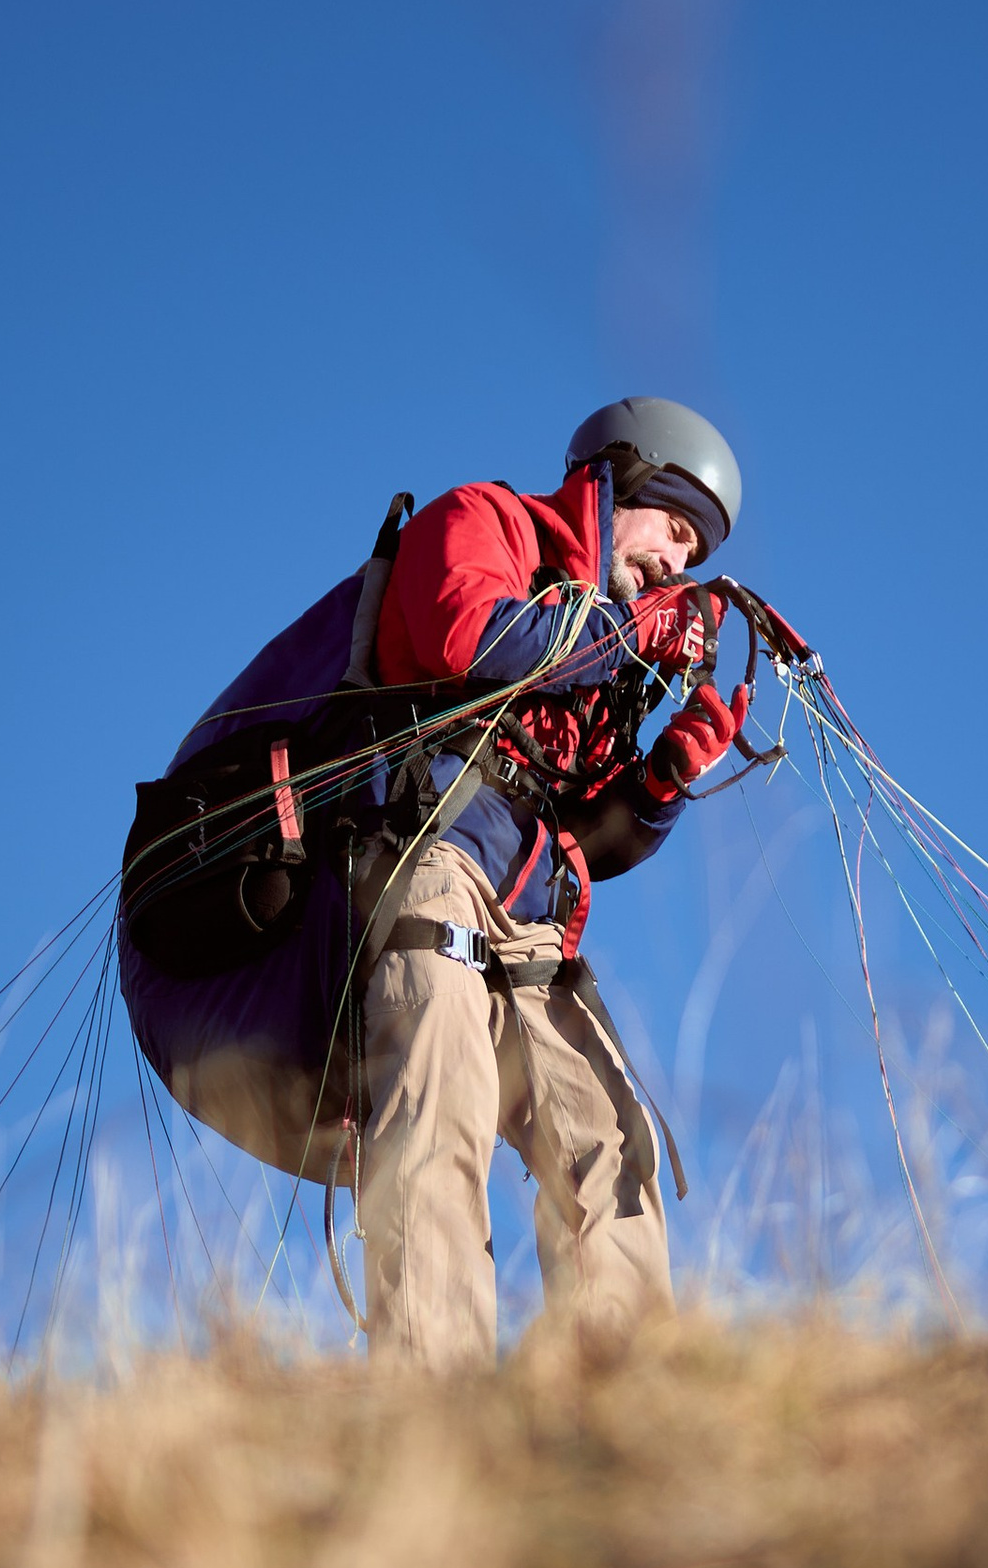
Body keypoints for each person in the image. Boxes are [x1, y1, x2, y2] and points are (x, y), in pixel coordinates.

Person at [119, 398, 749, 1367]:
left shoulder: (600, 637)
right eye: (674, 523)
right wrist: (626, 635)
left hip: (531, 927)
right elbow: (467, 638)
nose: (681, 556)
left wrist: (660, 782)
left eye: (697, 548)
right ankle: (431, 1382)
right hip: (423, 868)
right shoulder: (482, 521)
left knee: (612, 1137)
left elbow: (579, 834)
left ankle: (625, 1392)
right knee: (437, 1103)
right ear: (620, 483)